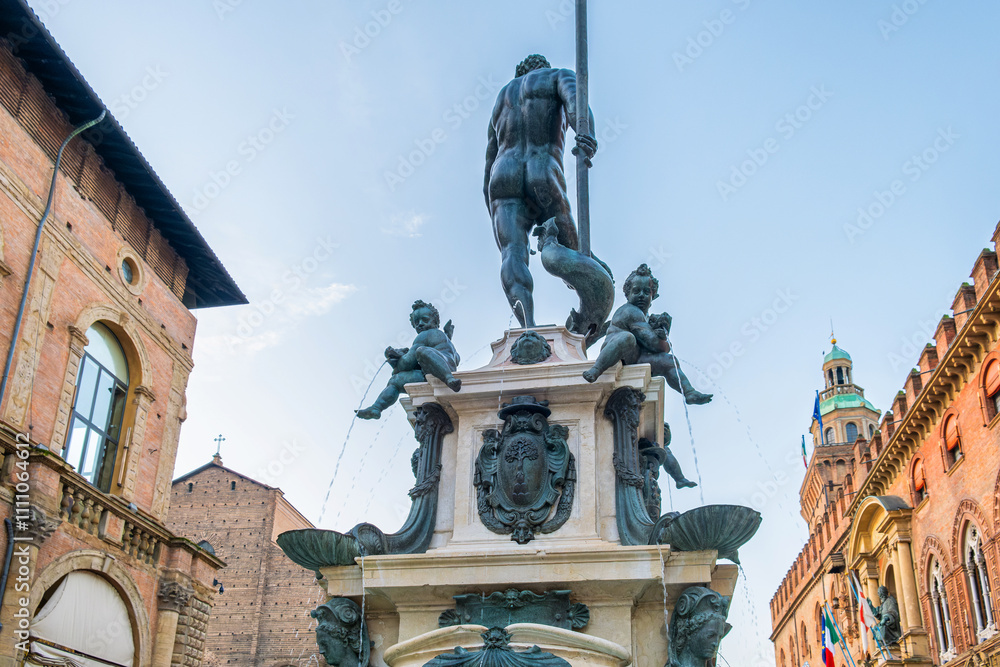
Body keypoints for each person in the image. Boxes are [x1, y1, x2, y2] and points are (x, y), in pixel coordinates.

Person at [485, 54, 598, 328]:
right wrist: (587, 134)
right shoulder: (557, 75)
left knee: (512, 252)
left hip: (502, 177)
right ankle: (592, 301)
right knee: (575, 249)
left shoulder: (501, 100)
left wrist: (494, 210)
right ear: (542, 67)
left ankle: (528, 327)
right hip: (542, 169)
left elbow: (488, 160)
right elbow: (576, 103)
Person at [582, 264, 712, 404]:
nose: (641, 296)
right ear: (627, 293)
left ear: (653, 295)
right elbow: (653, 343)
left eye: (646, 292)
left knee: (669, 360)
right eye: (636, 291)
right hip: (616, 350)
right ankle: (596, 369)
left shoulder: (647, 318)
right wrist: (660, 337)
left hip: (635, 356)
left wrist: (663, 333)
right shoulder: (630, 311)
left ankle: (689, 392)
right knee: (628, 338)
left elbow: (663, 349)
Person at [356, 301, 460, 420]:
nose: (420, 324)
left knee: (416, 356)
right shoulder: (445, 340)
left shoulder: (425, 335)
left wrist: (396, 359)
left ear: (435, 321)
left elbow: (407, 363)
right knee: (397, 379)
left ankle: (377, 408)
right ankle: (375, 408)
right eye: (416, 322)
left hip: (438, 374)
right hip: (440, 369)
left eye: (424, 320)